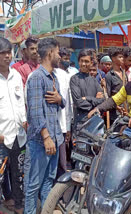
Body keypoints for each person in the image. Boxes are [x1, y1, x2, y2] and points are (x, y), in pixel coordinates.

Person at [24, 38, 65, 214]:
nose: (60, 57)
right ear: (50, 53)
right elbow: (34, 112)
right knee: (33, 186)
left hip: (55, 139)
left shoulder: (53, 77)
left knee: (49, 182)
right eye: (57, 53)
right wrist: (46, 137)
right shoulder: (36, 78)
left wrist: (59, 99)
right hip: (41, 142)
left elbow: (61, 103)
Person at [89, 54, 131, 147]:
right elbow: (114, 100)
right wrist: (97, 109)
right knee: (109, 147)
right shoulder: (128, 86)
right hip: (129, 129)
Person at [0, 38, 27, 214]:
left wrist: (25, 121)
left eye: (9, 52)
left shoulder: (16, 75)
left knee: (18, 174)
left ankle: (18, 205)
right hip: (1, 136)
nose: (7, 56)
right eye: (3, 53)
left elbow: (21, 103)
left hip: (19, 134)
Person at [70, 49, 105, 133]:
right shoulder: (74, 79)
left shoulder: (94, 81)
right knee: (81, 145)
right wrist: (94, 103)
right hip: (80, 121)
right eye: (81, 61)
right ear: (78, 62)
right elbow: (78, 102)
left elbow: (102, 100)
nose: (83, 64)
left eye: (86, 61)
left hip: (94, 121)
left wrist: (87, 98)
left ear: (91, 63)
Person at [53, 48, 74, 177]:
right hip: (46, 129)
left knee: (61, 164)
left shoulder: (64, 76)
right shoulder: (36, 76)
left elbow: (68, 104)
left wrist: (68, 128)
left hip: (62, 127)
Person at [105, 47, 126, 124]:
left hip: (126, 111)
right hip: (115, 114)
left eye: (122, 57)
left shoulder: (124, 73)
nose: (122, 59)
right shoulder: (109, 76)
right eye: (120, 57)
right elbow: (107, 96)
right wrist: (117, 107)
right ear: (113, 59)